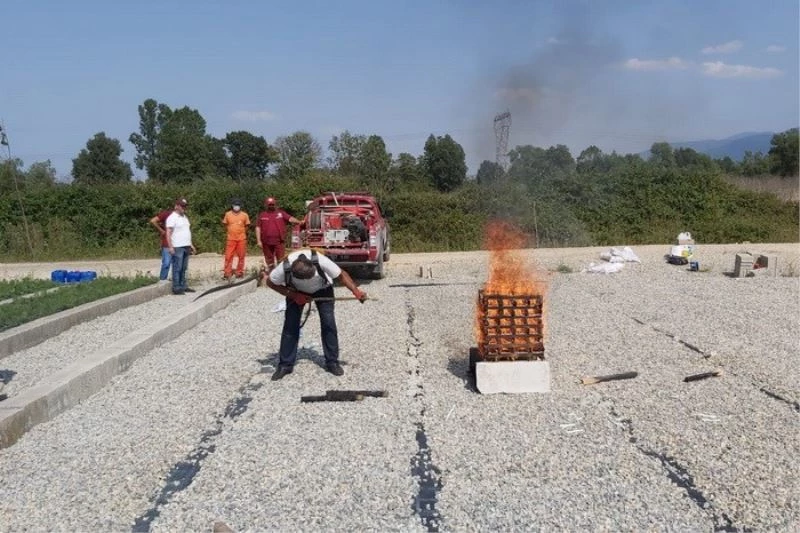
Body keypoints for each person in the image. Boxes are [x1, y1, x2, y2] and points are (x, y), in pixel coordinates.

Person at [266, 249, 367, 381]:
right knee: (290, 326)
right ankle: (285, 364)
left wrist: (356, 291)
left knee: (328, 323)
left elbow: (341, 275)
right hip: (296, 292)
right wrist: (294, 295)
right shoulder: (284, 267)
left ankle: (332, 362)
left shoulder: (320, 261)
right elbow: (270, 283)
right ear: (293, 273)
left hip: (323, 289)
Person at [256, 197, 300, 271]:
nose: (271, 206)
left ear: (275, 204)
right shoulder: (262, 215)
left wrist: (299, 221)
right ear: (266, 205)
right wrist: (258, 241)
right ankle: (271, 271)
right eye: (269, 205)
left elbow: (290, 219)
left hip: (279, 241)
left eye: (272, 204)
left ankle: (280, 272)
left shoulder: (281, 213)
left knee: (281, 258)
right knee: (269, 258)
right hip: (266, 242)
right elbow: (258, 228)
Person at [165, 197, 197, 295]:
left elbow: (186, 231)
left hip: (186, 245)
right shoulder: (172, 218)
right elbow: (168, 232)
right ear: (177, 206)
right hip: (177, 246)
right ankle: (176, 287)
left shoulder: (184, 217)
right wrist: (170, 246)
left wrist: (191, 244)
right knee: (177, 267)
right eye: (182, 206)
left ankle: (183, 285)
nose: (184, 208)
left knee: (184, 268)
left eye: (185, 206)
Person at [221, 198, 251, 280]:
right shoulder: (228, 214)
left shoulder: (245, 215)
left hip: (241, 239)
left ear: (240, 206)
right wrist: (231, 231)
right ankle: (227, 272)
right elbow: (225, 224)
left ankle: (239, 272)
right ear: (232, 205)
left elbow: (247, 225)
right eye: (235, 205)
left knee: (241, 256)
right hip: (230, 239)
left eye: (238, 205)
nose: (236, 206)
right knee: (228, 256)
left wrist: (241, 232)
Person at [149, 205, 174, 281]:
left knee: (177, 264)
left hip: (178, 243)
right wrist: (161, 230)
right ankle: (162, 280)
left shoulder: (181, 216)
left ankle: (176, 282)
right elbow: (153, 220)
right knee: (166, 263)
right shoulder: (166, 214)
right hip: (167, 243)